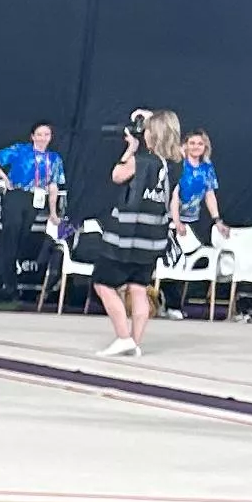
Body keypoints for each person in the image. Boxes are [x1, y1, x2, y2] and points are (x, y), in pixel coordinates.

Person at [86, 107, 178, 357]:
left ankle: (123, 337)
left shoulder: (143, 161)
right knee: (138, 287)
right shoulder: (174, 165)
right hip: (153, 237)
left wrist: (130, 149)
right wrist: (150, 117)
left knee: (103, 283)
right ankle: (134, 343)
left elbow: (117, 175)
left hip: (128, 236)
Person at [0, 120, 64, 304]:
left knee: (20, 239)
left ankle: (7, 283)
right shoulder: (21, 150)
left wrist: (53, 212)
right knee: (10, 237)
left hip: (35, 199)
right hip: (17, 195)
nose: (43, 138)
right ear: (33, 136)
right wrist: (5, 178)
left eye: (47, 135)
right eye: (40, 134)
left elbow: (53, 186)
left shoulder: (54, 159)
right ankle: (5, 285)